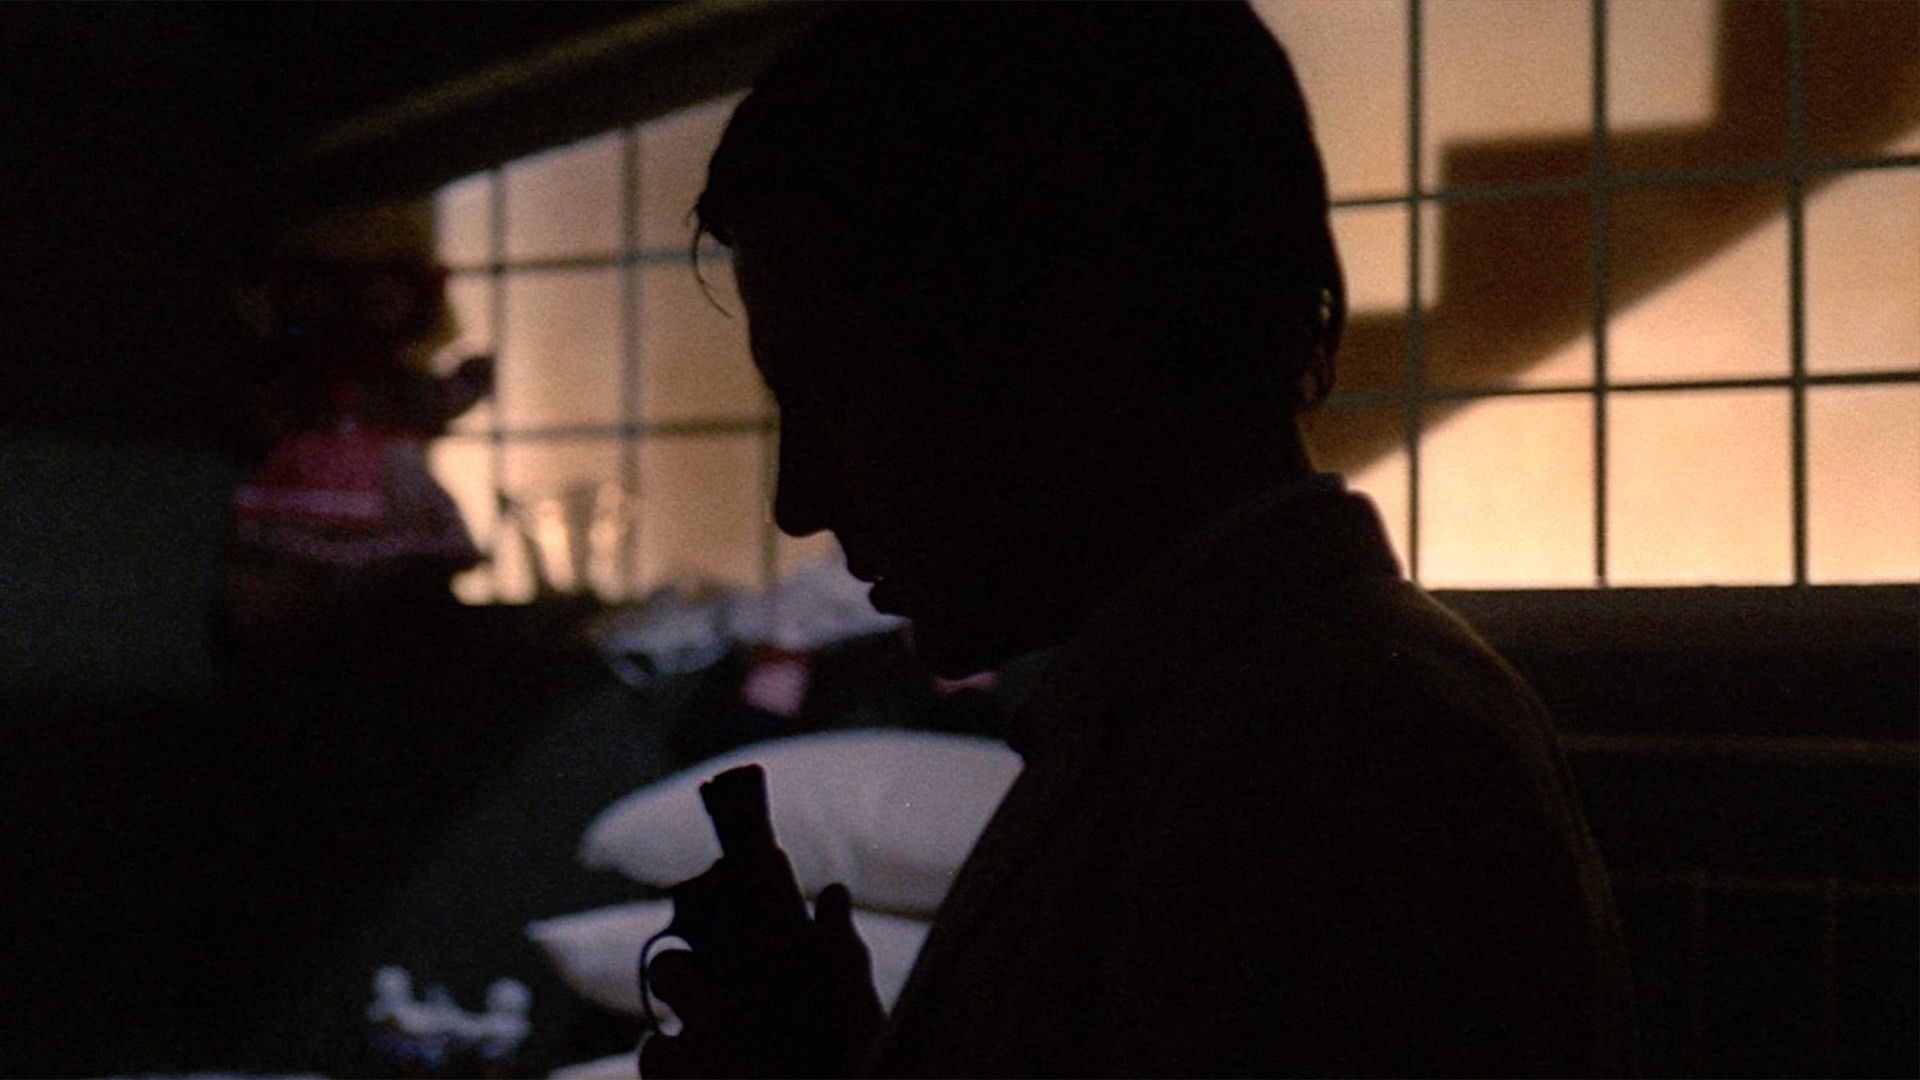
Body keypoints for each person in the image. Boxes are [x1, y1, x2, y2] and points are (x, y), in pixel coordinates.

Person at [642, 4, 1637, 1077]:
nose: (798, 502)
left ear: (1066, 339)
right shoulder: (1241, 715)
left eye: (840, 391)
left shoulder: (1317, 767)